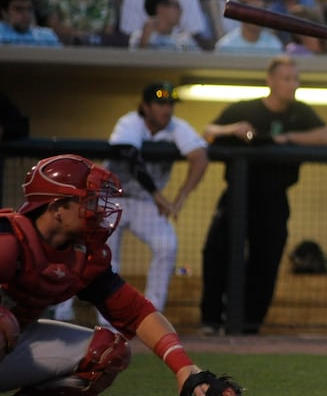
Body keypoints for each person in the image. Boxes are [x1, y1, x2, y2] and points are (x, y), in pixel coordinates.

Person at [0, 154, 215, 394]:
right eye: (89, 201)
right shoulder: (8, 239)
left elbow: (137, 312)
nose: (99, 211)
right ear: (57, 208)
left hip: (13, 345)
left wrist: (184, 367)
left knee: (106, 352)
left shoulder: (82, 256)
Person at [200, 55, 327, 335]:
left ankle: (250, 326)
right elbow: (208, 132)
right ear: (271, 80)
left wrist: (287, 139)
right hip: (238, 195)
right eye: (286, 79)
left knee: (266, 261)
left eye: (295, 79)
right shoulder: (245, 108)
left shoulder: (300, 113)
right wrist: (234, 129)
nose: (292, 84)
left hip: (274, 199)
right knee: (217, 252)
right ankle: (211, 321)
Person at [53, 81, 209, 322]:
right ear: (144, 106)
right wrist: (160, 196)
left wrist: (181, 197)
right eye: (160, 103)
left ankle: (150, 315)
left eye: (170, 104)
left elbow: (200, 158)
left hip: (144, 201)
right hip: (110, 196)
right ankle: (83, 317)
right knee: (100, 254)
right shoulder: (129, 122)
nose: (166, 109)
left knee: (167, 245)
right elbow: (129, 156)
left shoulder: (177, 127)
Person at [214, 0, 284, 55]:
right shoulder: (225, 46)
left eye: (261, 10)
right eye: (252, 10)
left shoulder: (274, 45)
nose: (257, 15)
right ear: (240, 14)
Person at [128, 0, 200, 51]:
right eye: (176, 6)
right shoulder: (139, 36)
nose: (181, 11)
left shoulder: (185, 40)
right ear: (160, 8)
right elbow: (136, 63)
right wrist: (144, 39)